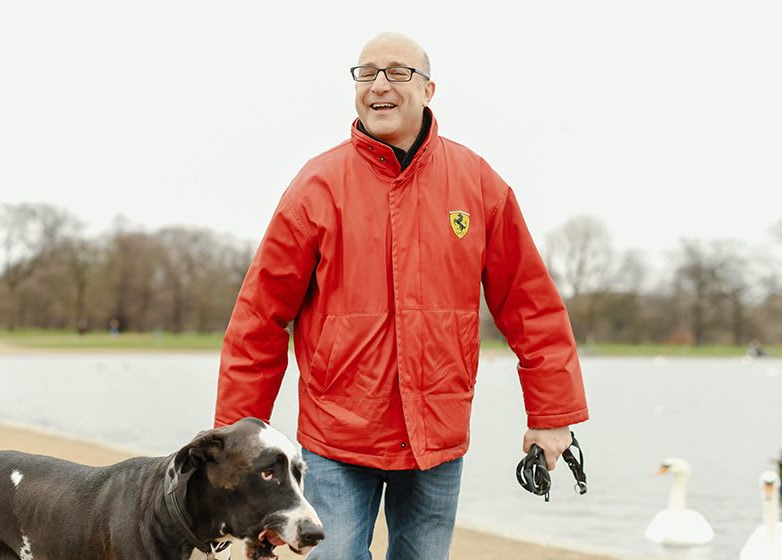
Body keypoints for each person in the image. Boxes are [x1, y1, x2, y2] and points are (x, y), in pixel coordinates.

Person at [215, 32, 588, 560]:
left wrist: (551, 417)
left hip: (436, 437)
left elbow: (531, 305)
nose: (379, 86)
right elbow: (259, 319)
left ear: (429, 89)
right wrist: (237, 439)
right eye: (366, 73)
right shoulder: (316, 186)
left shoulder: (478, 184)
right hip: (336, 437)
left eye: (397, 72)